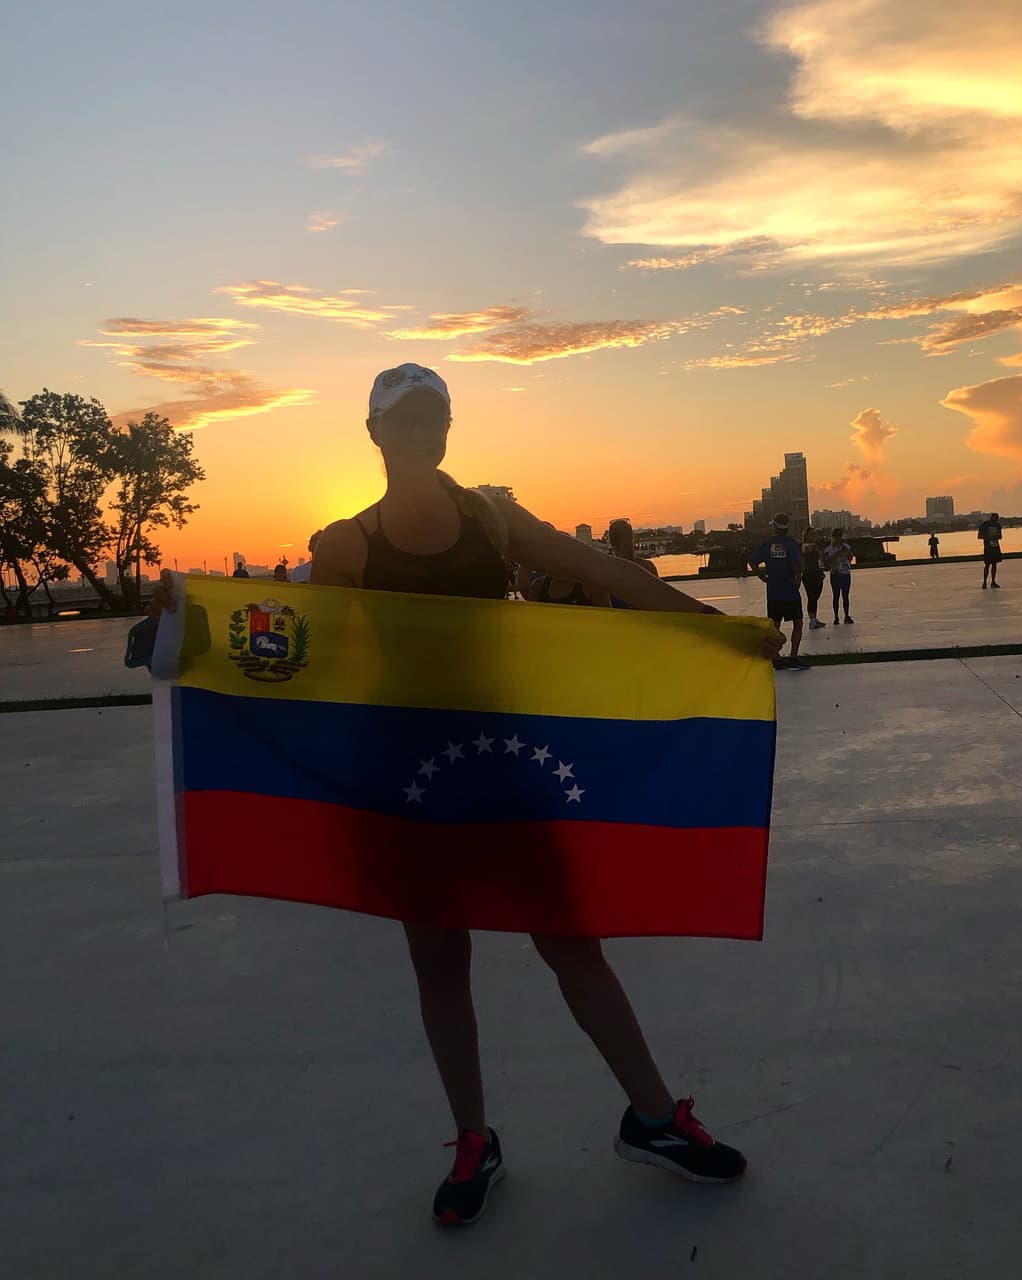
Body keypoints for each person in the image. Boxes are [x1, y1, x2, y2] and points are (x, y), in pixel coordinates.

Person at [148, 362, 779, 1227]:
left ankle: (654, 1119)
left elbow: (609, 575)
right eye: (402, 422)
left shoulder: (490, 517)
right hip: (408, 779)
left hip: (506, 764)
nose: (419, 435)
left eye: (433, 419)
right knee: (440, 961)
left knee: (572, 943)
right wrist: (193, 628)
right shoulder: (347, 545)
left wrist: (718, 631)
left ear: (448, 428)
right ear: (374, 433)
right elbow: (298, 652)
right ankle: (474, 1139)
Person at [751, 512, 809, 669]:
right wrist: (798, 579)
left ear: (775, 527)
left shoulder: (767, 544)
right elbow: (798, 564)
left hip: (774, 592)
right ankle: (794, 656)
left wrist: (761, 576)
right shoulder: (791, 543)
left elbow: (753, 561)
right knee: (798, 623)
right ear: (788, 527)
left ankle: (776, 659)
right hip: (790, 591)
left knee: (774, 627)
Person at [606, 518, 658, 608]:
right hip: (646, 618)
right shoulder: (648, 567)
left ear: (611, 541)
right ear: (632, 537)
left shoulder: (605, 571)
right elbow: (659, 598)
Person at [823, 528, 854, 623]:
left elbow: (850, 558)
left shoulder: (847, 547)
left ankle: (846, 615)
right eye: (836, 537)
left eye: (839, 537)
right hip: (835, 574)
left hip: (845, 573)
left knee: (845, 595)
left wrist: (848, 554)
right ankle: (836, 616)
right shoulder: (829, 549)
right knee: (836, 596)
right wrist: (837, 553)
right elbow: (827, 563)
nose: (838, 539)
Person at [799, 526, 826, 627]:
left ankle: (814, 617)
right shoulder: (805, 545)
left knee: (816, 596)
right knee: (812, 597)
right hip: (809, 573)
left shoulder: (817, 547)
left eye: (815, 534)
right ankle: (812, 620)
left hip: (817, 573)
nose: (814, 536)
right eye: (811, 534)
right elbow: (805, 550)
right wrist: (815, 546)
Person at [977, 512, 1003, 588]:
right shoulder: (984, 525)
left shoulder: (998, 525)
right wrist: (988, 537)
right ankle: (985, 582)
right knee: (987, 565)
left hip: (995, 547)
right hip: (988, 547)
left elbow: (1000, 536)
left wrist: (996, 536)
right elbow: (979, 536)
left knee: (994, 564)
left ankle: (993, 582)